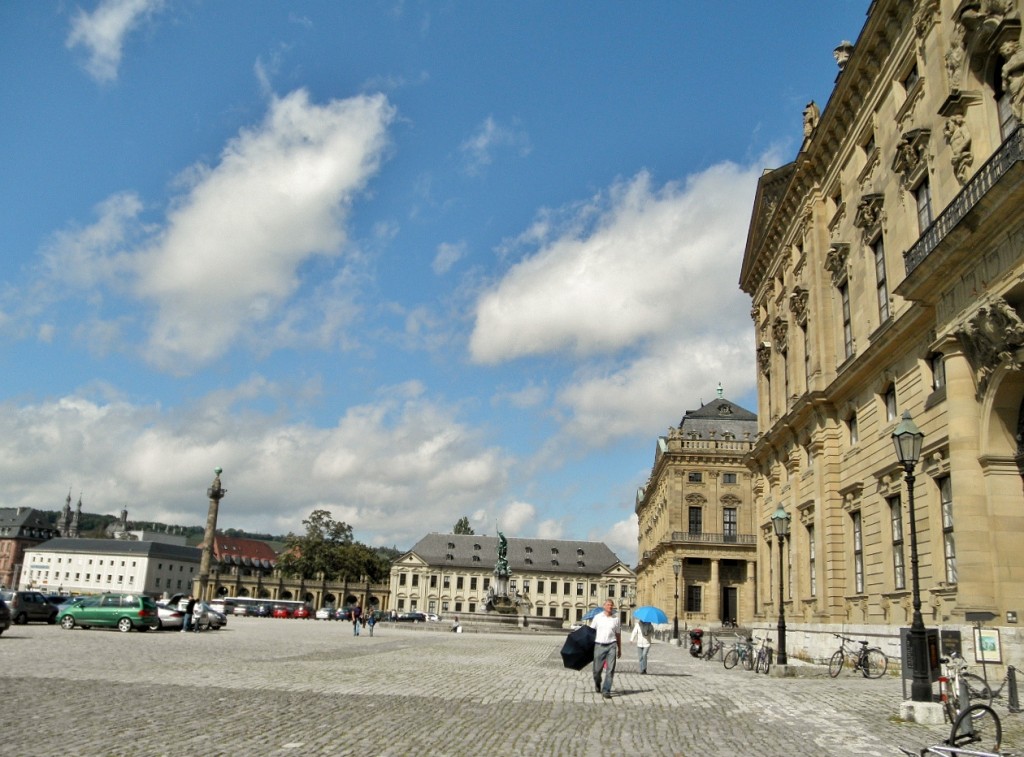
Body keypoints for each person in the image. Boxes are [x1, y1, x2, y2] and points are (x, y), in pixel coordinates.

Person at [590, 599, 621, 699]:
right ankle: (597, 682)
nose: (610, 607)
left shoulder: (616, 619)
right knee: (596, 670)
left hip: (612, 645)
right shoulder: (597, 617)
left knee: (610, 669)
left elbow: (618, 634)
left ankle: (606, 690)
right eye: (608, 605)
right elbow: (591, 631)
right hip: (599, 645)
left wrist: (619, 648)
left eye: (611, 605)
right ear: (604, 606)